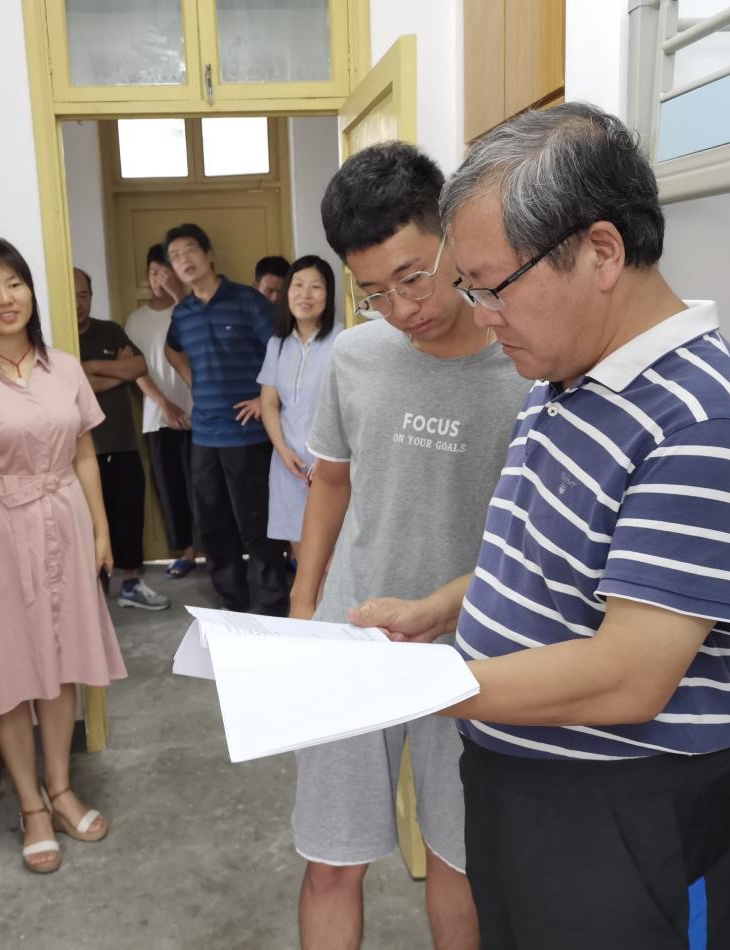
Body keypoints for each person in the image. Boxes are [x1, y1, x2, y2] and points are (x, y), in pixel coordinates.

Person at [350, 103, 730, 949]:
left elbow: (628, 677)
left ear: (600, 251)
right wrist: (436, 610)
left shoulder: (705, 420)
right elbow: (537, 560)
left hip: (623, 822)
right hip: (516, 786)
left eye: (492, 286)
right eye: (469, 289)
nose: (481, 314)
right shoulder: (564, 379)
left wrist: (416, 687)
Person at [290, 143, 535, 950]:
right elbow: (330, 482)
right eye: (372, 293)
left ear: (450, 238)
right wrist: (304, 605)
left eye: (411, 279)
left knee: (457, 861)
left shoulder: (525, 364)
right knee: (331, 860)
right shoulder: (355, 356)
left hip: (470, 649)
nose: (399, 309)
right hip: (353, 634)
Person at [0, 238, 126, 875]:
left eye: (14, 283)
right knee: (10, 672)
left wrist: (100, 530)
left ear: (31, 292)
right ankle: (31, 806)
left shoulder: (64, 368)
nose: (4, 299)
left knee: (62, 663)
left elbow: (84, 456)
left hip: (63, 519)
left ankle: (62, 790)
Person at [164, 223, 291, 616]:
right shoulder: (182, 313)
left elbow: (283, 348)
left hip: (248, 436)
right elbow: (172, 350)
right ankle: (231, 603)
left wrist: (263, 398)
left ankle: (270, 605)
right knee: (213, 525)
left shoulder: (248, 301)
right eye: (174, 256)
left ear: (208, 254)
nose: (183, 260)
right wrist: (191, 379)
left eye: (189, 250)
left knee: (258, 525)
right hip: (204, 435)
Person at [75, 268, 171, 610]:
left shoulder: (110, 330)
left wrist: (89, 366)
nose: (78, 303)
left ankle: (131, 584)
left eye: (84, 295)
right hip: (82, 450)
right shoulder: (58, 336)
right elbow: (77, 384)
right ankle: (93, 593)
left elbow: (139, 367)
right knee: (86, 522)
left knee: (129, 514)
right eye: (72, 296)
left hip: (122, 441)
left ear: (91, 296)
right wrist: (115, 371)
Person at [256, 255, 340, 573]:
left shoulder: (343, 340)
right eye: (298, 285)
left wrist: (328, 458)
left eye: (315, 287)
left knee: (332, 563)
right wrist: (283, 450)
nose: (305, 294)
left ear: (328, 294)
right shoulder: (277, 344)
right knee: (304, 562)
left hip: (332, 467)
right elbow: (269, 403)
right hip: (289, 465)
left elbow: (351, 408)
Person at [124, 244, 198, 579]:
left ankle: (209, 549)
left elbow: (199, 341)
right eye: (153, 272)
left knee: (204, 486)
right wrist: (164, 404)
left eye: (164, 272)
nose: (158, 279)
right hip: (158, 417)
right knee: (170, 488)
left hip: (199, 414)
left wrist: (179, 296)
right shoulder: (137, 320)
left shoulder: (189, 309)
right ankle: (185, 551)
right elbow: (134, 370)